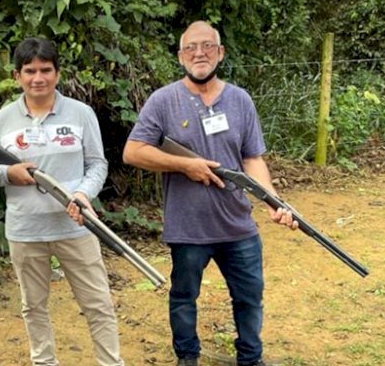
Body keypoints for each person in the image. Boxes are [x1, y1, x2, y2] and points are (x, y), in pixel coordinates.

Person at [122, 21, 298, 366]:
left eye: (206, 46)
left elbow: (252, 158)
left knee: (250, 297)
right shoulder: (163, 100)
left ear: (220, 53)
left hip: (237, 224)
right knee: (184, 297)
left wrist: (273, 201)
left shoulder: (240, 100)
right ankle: (187, 357)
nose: (198, 53)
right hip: (187, 226)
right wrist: (184, 165)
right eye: (190, 48)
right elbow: (133, 152)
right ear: (180, 56)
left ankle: (251, 358)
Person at [0, 37, 125, 366]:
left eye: (45, 70)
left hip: (76, 227)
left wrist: (83, 194)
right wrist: (9, 174)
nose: (37, 78)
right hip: (25, 232)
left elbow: (97, 164)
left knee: (98, 304)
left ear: (57, 73)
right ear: (16, 75)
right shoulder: (0, 121)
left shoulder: (81, 114)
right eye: (29, 71)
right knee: (34, 306)